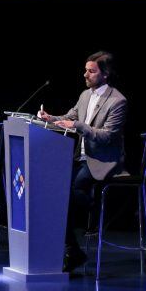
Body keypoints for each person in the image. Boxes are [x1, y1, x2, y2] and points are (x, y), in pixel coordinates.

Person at [39, 51, 127, 272]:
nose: (85, 74)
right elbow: (70, 117)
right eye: (86, 70)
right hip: (81, 158)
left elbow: (107, 136)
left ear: (105, 74)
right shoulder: (85, 95)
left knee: (67, 194)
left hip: (104, 160)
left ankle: (94, 212)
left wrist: (78, 126)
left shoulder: (117, 101)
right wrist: (50, 118)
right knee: (53, 190)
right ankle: (73, 249)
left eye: (91, 71)